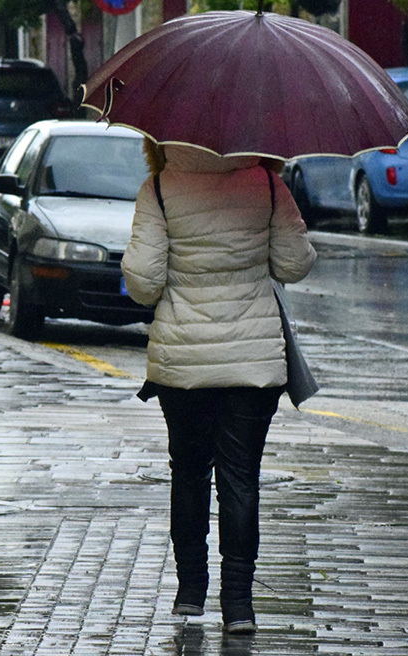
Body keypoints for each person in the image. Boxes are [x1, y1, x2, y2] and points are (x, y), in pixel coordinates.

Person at [121, 141, 317, 634]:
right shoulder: (268, 186)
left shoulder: (161, 188)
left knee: (188, 471)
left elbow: (143, 284)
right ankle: (239, 605)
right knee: (240, 477)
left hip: (182, 361)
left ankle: (190, 592)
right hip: (252, 361)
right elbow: (294, 264)